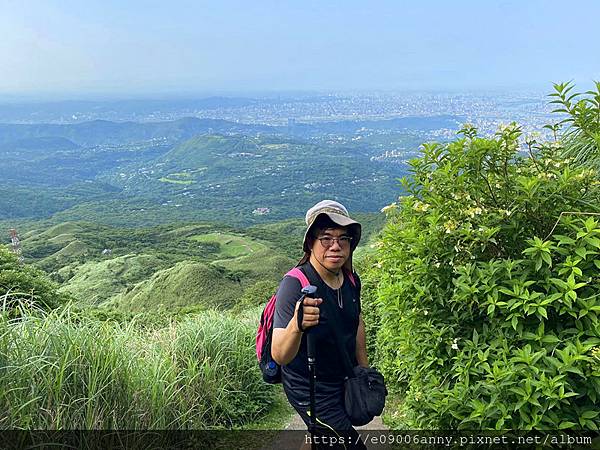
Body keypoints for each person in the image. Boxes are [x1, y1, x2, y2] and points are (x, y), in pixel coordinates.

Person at [272, 200, 368, 450]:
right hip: (309, 387)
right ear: (311, 243)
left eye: (343, 238)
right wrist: (297, 325)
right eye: (326, 238)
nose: (335, 246)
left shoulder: (350, 279)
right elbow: (280, 355)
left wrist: (364, 370)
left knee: (322, 438)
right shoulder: (295, 285)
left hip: (341, 378)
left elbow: (357, 321)